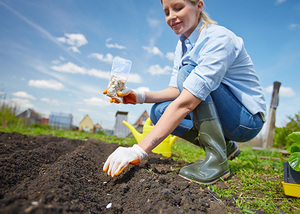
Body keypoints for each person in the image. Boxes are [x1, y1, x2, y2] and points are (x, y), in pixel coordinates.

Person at [103, 0, 266, 184]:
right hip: (224, 112)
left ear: (199, 6)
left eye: (178, 8)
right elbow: (176, 90)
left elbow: (187, 100)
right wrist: (139, 97)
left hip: (245, 120)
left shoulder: (219, 38)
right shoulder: (183, 45)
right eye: (166, 12)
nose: (171, 16)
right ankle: (225, 147)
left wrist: (138, 150)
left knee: (188, 73)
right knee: (158, 111)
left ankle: (217, 163)